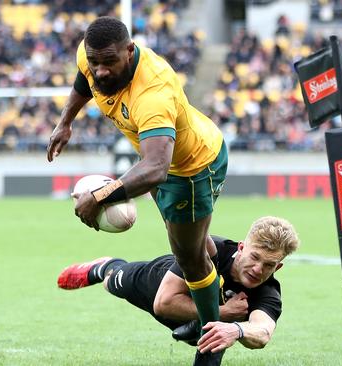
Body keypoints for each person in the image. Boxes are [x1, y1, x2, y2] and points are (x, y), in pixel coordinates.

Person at [47, 17, 227, 365]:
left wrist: (99, 197)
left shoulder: (153, 92)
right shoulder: (93, 55)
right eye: (94, 61)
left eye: (109, 62)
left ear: (130, 51)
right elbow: (83, 80)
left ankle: (211, 342)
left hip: (190, 167)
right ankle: (215, 297)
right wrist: (66, 120)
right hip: (165, 160)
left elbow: (156, 170)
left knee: (189, 257)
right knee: (194, 244)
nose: (99, 71)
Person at [57, 216, 300, 355]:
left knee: (212, 336)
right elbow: (164, 303)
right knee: (112, 281)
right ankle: (104, 266)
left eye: (268, 265)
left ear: (277, 268)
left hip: (197, 321)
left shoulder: (268, 291)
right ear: (241, 248)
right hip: (160, 282)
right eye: (255, 258)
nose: (258, 270)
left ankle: (198, 328)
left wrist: (235, 329)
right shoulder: (209, 250)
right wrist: (224, 314)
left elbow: (263, 332)